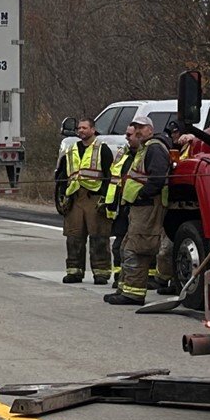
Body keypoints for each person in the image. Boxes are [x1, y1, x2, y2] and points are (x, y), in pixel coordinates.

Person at [105, 115, 172, 305]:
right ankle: (125, 290)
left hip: (147, 206)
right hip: (138, 207)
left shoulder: (155, 148)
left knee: (137, 249)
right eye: (136, 127)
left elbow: (157, 178)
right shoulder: (145, 149)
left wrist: (143, 194)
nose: (138, 130)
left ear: (151, 129)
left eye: (142, 127)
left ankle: (133, 294)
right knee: (128, 247)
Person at [54, 118, 114, 284]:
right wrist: (61, 198)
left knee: (99, 237)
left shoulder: (102, 149)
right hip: (74, 199)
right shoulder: (71, 150)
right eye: (79, 128)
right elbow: (61, 176)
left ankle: (101, 273)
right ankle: (74, 272)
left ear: (93, 130)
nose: (81, 131)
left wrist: (106, 198)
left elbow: (111, 176)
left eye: (84, 128)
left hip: (94, 198)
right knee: (74, 237)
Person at [103, 126, 138, 288]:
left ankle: (144, 278)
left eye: (130, 134)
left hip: (137, 206)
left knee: (136, 246)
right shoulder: (123, 153)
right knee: (118, 246)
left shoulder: (145, 154)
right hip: (121, 206)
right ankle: (119, 276)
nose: (127, 137)